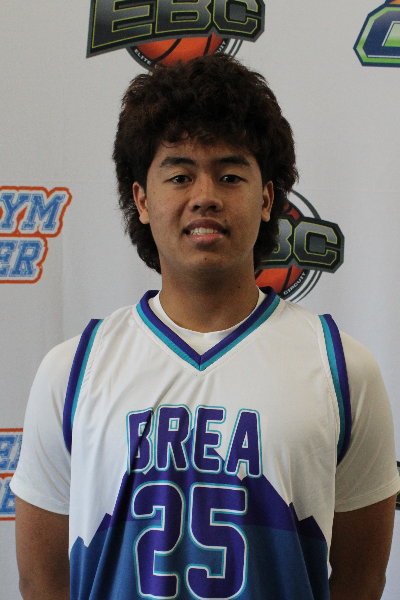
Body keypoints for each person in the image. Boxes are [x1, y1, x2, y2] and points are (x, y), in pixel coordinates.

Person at [11, 54, 400, 600]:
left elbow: (361, 579)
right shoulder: (72, 372)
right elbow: (43, 580)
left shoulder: (342, 369)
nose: (205, 196)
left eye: (230, 175)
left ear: (267, 199)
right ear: (141, 200)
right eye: (179, 175)